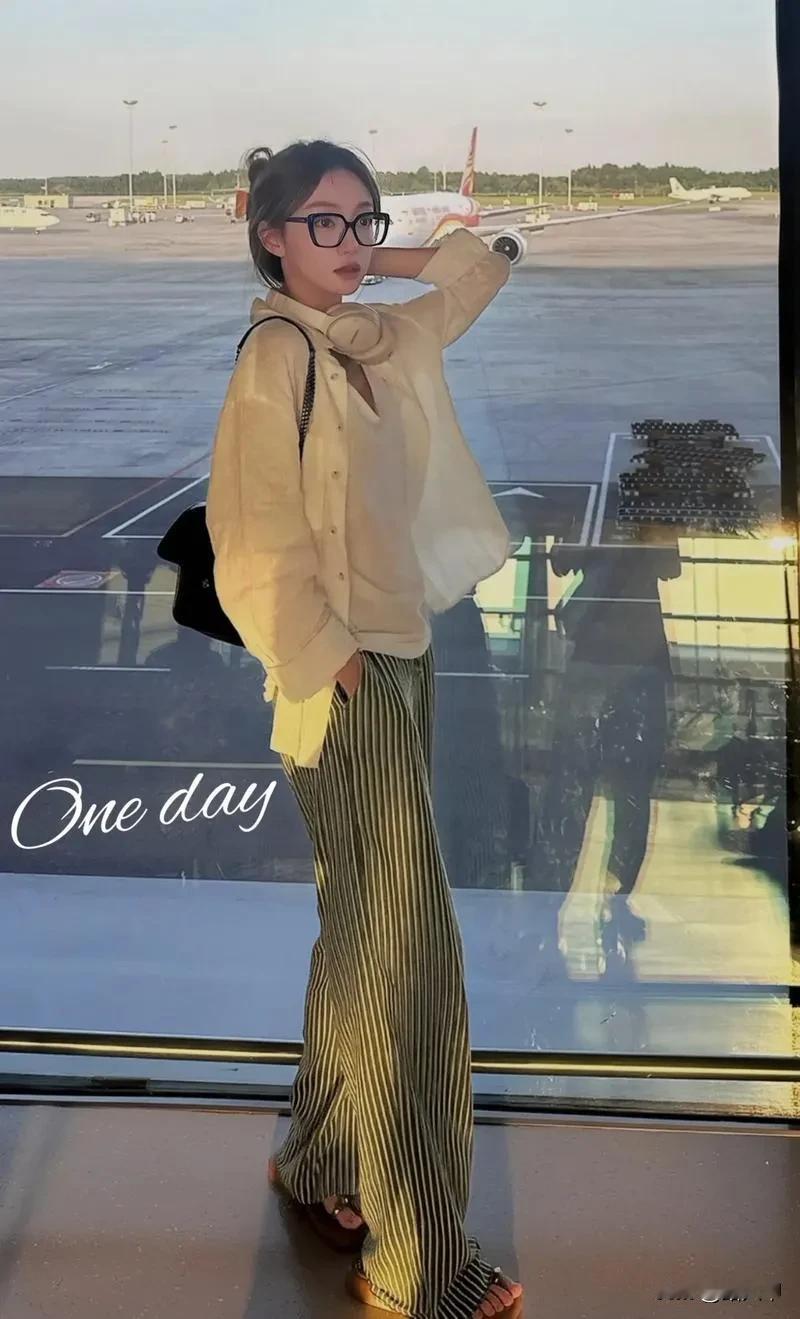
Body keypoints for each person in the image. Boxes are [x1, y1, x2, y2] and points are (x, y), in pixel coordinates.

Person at [206, 138, 523, 1319]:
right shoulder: (277, 355)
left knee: (364, 926)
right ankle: (415, 1255)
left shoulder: (374, 337)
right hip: (341, 672)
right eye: (320, 222)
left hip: (397, 655)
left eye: (362, 219)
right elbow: (250, 541)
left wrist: (368, 258)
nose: (348, 241)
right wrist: (331, 659)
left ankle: (322, 1157)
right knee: (409, 958)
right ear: (269, 233)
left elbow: (480, 267)